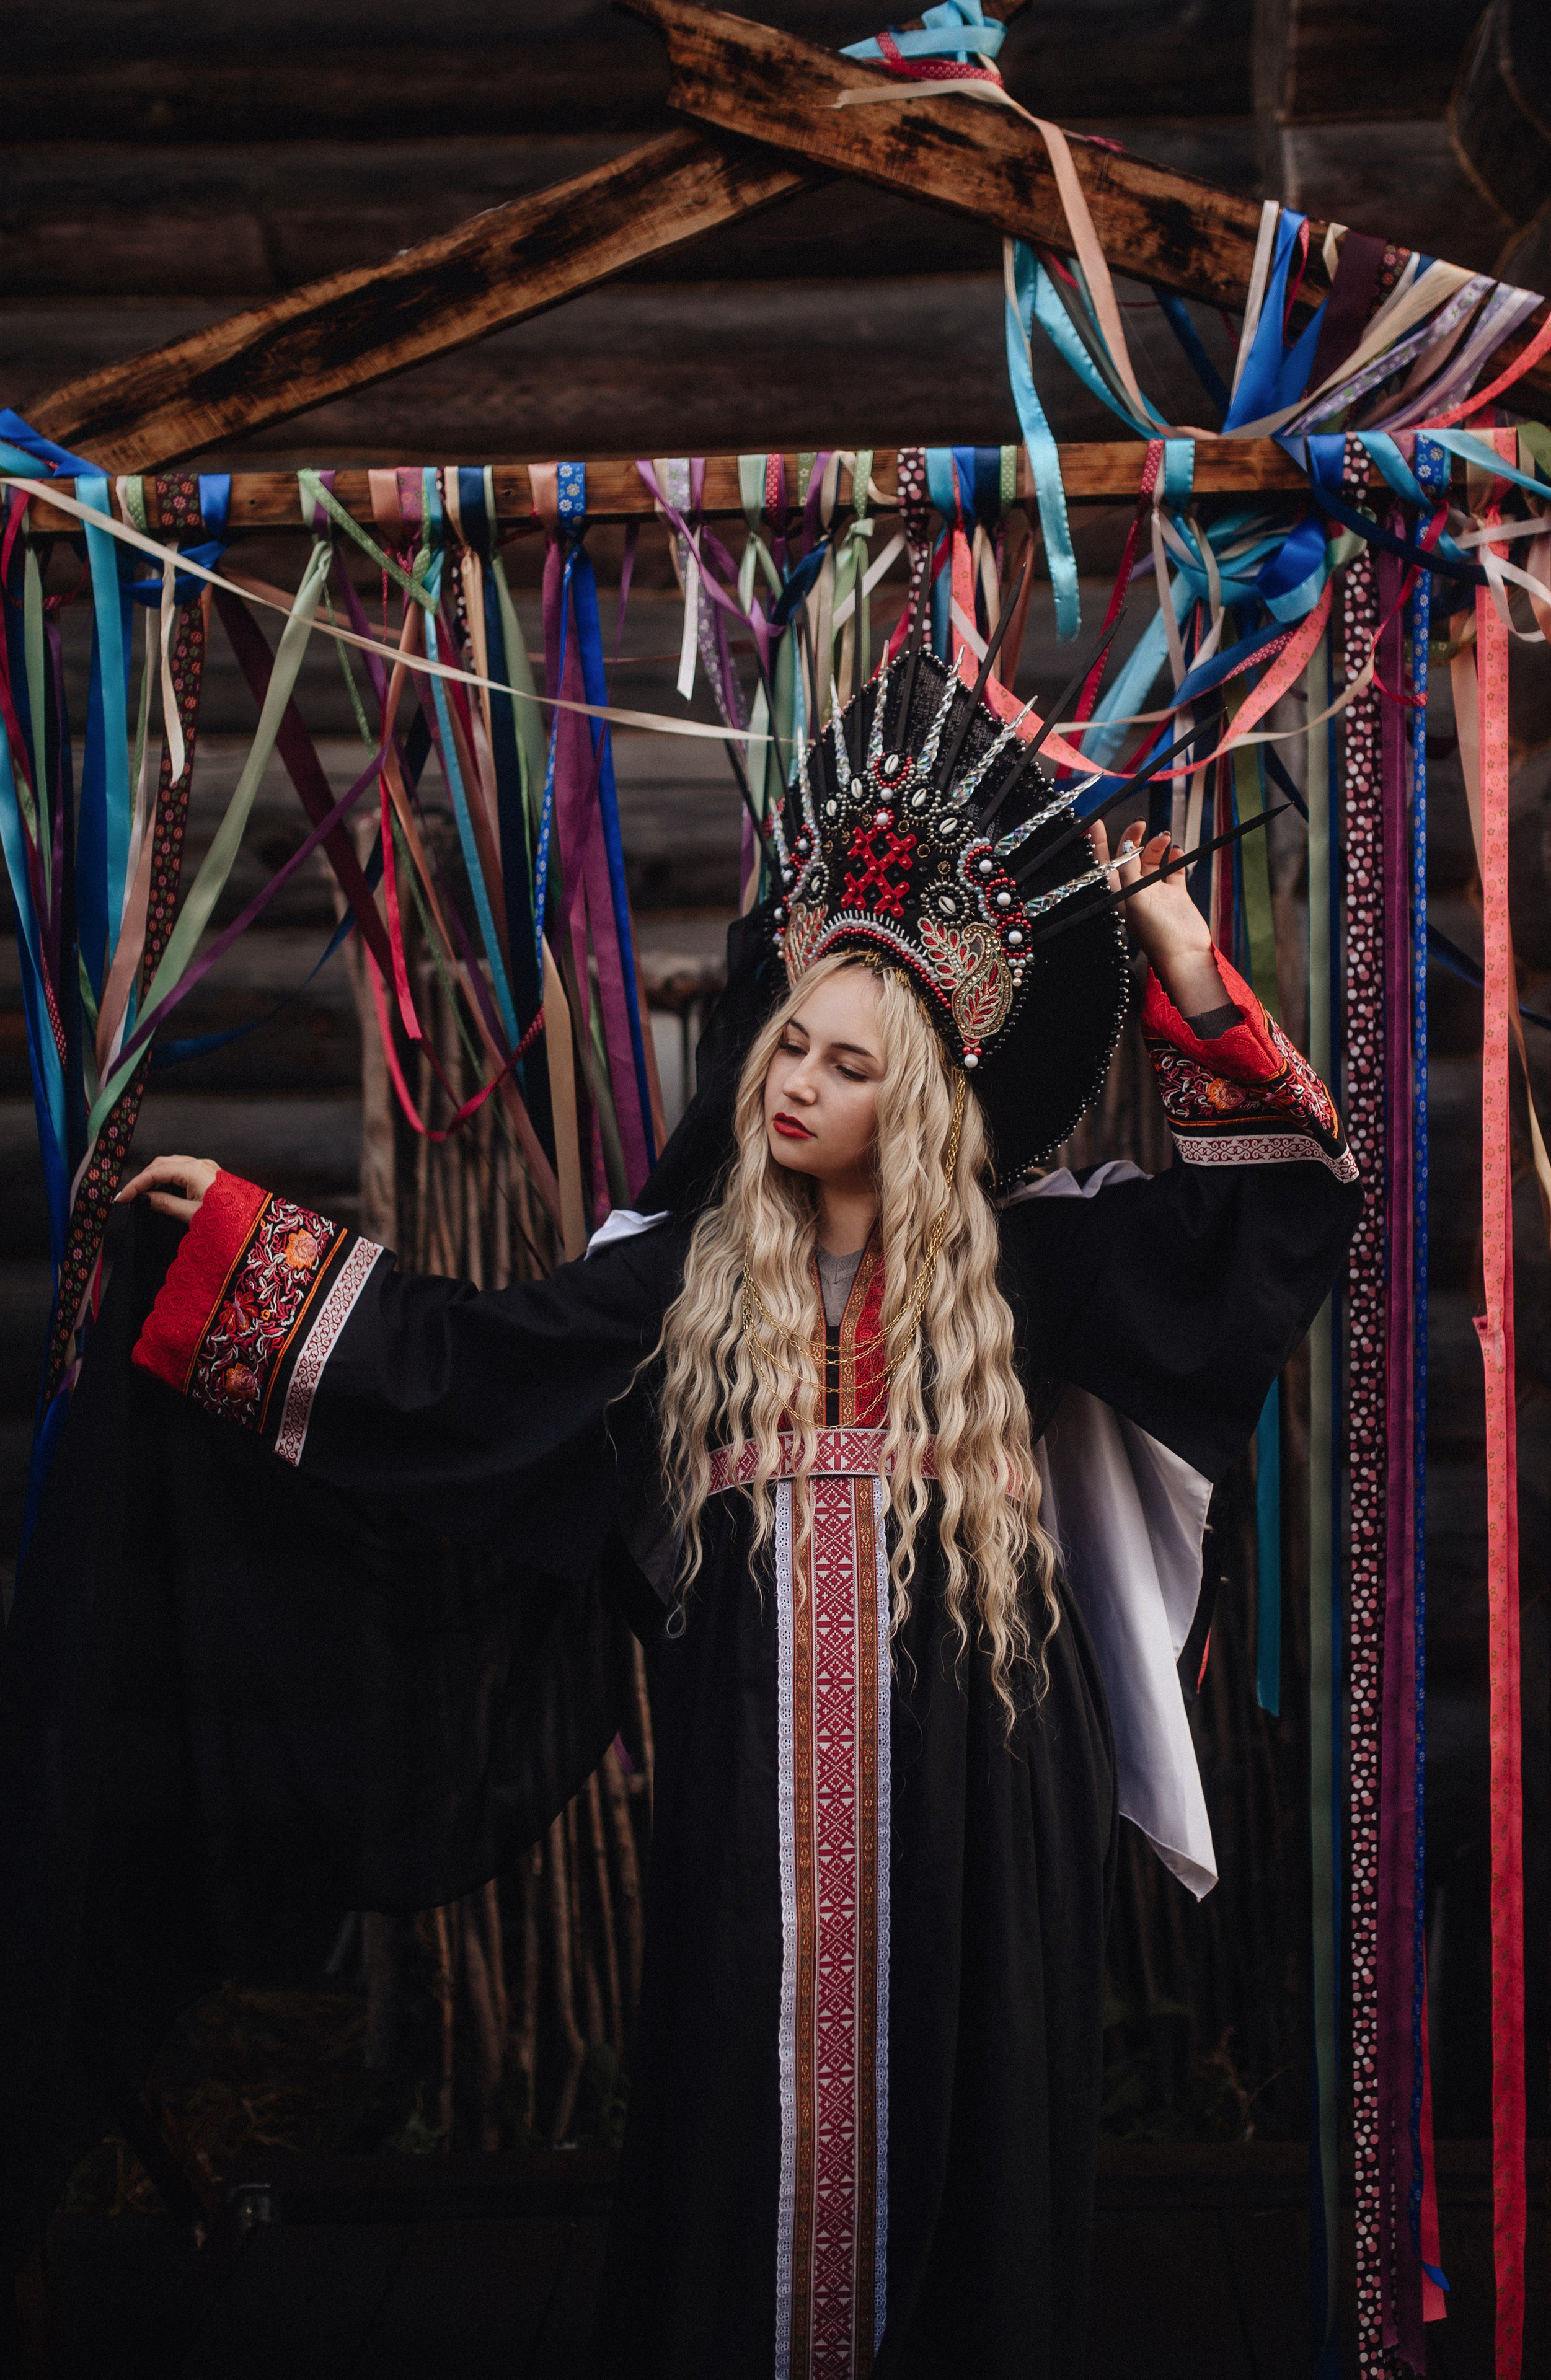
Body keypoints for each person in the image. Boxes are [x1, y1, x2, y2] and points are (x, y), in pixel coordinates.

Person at [6, 648, 1359, 2376]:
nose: (793, 1083)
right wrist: (231, 1247)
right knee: (748, 2123)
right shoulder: (693, 1286)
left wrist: (1181, 946)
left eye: (847, 1065)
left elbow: (1276, 1232)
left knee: (972, 2119)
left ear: (926, 1101)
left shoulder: (1037, 1273)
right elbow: (462, 1370)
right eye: (786, 1041)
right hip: (751, 1798)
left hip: (981, 1791)